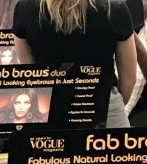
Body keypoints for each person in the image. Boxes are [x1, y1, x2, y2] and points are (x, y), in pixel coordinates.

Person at [11, 0, 136, 128]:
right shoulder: (114, 9)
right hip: (105, 110)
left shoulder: (25, 9)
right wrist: (110, 105)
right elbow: (129, 79)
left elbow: (28, 67)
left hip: (50, 111)